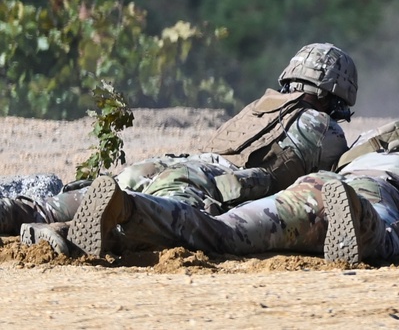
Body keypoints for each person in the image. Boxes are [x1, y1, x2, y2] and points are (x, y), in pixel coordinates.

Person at [66, 68, 399, 266]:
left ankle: (130, 208)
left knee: (224, 233)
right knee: (391, 238)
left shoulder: (385, 136)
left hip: (318, 186)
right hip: (377, 199)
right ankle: (358, 218)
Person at [2, 42, 358, 252]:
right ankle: (62, 235)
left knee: (50, 205)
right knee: (149, 225)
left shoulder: (259, 105)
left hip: (164, 165)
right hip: (207, 183)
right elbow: (328, 188)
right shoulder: (325, 130)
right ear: (337, 94)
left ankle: (18, 213)